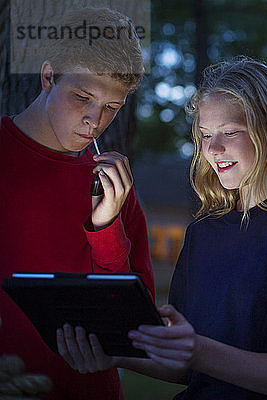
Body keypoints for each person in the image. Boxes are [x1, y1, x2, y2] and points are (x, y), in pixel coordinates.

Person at [58, 58, 267, 400]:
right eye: (204, 135)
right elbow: (187, 365)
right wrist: (112, 353)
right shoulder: (203, 232)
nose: (213, 150)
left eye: (230, 132)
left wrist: (199, 351)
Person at [0, 7, 154, 400]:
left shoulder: (114, 185)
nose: (94, 120)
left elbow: (134, 323)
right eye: (82, 97)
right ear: (48, 77)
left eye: (111, 107)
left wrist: (106, 229)